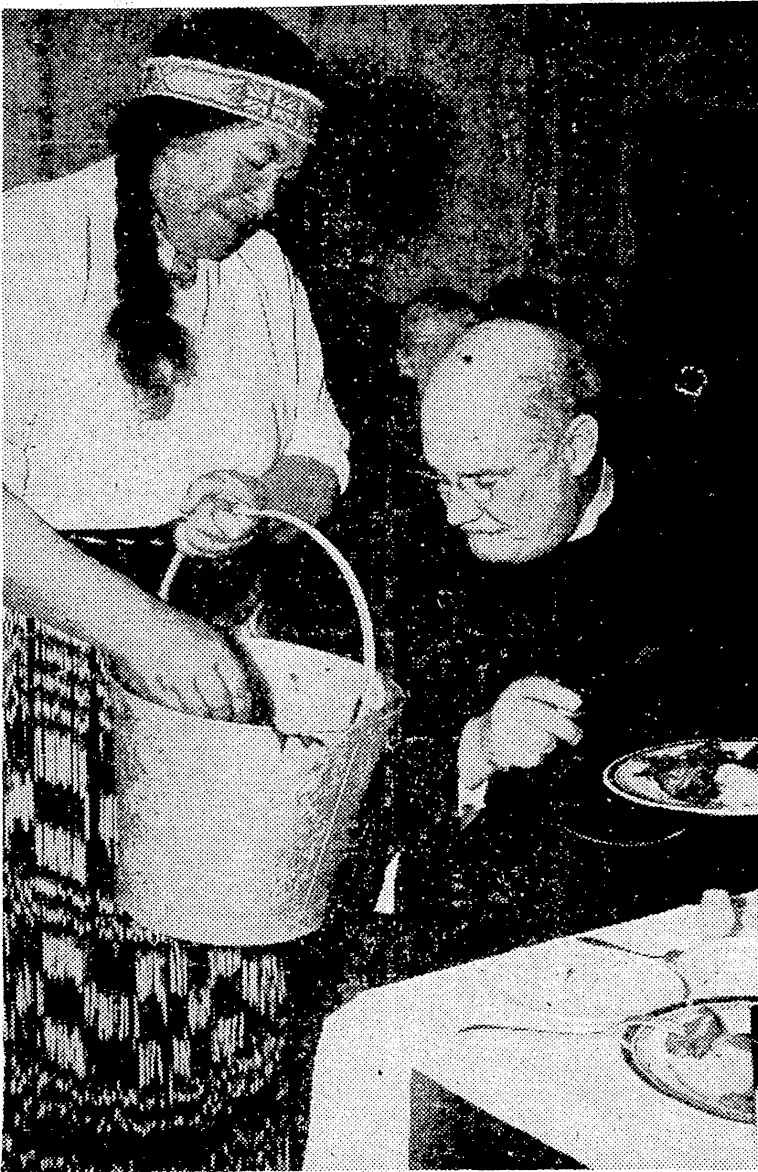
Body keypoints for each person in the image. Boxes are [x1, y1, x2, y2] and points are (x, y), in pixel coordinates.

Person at [3, 12, 353, 1170]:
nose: (267, 200)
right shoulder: (26, 242)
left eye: (286, 176)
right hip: (61, 671)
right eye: (254, 162)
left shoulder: (260, 271)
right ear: (171, 128)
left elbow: (322, 448)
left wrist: (258, 495)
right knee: (87, 994)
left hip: (222, 649)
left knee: (233, 962)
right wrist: (135, 626)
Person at [391, 318, 758, 972]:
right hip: (489, 941)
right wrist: (477, 747)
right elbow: (361, 796)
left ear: (576, 447)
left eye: (485, 481)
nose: (456, 514)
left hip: (689, 924)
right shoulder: (417, 558)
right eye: (442, 479)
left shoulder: (710, 528)